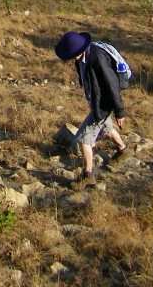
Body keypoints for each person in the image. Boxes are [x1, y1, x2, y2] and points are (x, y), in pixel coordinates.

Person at [54, 30, 130, 190]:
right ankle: (122, 150)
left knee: (83, 138)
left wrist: (120, 111)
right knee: (106, 128)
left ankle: (88, 175)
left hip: (103, 104)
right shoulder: (81, 58)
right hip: (97, 101)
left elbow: (112, 85)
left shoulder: (97, 57)